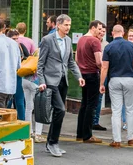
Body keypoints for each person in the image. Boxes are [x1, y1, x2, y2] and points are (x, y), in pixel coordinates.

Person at [37, 14, 85, 158]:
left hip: (63, 81)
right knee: (61, 110)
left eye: (69, 25)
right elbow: (40, 64)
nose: (68, 28)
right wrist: (41, 82)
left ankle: (49, 143)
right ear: (58, 25)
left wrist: (79, 77)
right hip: (50, 81)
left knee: (58, 112)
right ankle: (53, 143)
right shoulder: (47, 40)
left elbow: (70, 62)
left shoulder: (68, 40)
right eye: (66, 25)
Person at [100, 25, 133, 148]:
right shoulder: (131, 46)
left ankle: (117, 140)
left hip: (114, 79)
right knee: (130, 109)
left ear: (112, 33)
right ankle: (131, 138)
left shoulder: (108, 47)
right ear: (123, 32)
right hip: (129, 79)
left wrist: (102, 83)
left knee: (116, 111)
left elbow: (104, 67)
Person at [76, 20, 103, 144]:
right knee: (92, 105)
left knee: (84, 104)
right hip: (92, 74)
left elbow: (76, 58)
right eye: (99, 29)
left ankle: (80, 134)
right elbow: (98, 61)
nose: (100, 31)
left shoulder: (81, 39)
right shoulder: (95, 41)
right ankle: (88, 135)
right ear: (93, 28)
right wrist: (103, 69)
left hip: (83, 74)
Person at [22, 47, 45, 143]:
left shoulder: (35, 52)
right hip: (36, 83)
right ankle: (38, 134)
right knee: (39, 108)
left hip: (25, 80)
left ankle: (29, 132)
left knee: (28, 107)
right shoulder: (45, 52)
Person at [6, 29, 27, 120]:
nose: (16, 41)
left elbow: (28, 55)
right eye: (14, 39)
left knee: (19, 101)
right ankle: (7, 121)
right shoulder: (5, 47)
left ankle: (22, 121)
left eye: (17, 39)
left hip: (17, 75)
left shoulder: (20, 46)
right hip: (7, 76)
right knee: (8, 101)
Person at [93, 23, 108, 131]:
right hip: (93, 72)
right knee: (91, 99)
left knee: (99, 99)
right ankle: (90, 121)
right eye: (100, 30)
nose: (102, 33)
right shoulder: (92, 41)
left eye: (104, 31)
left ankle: (95, 121)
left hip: (102, 73)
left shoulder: (106, 45)